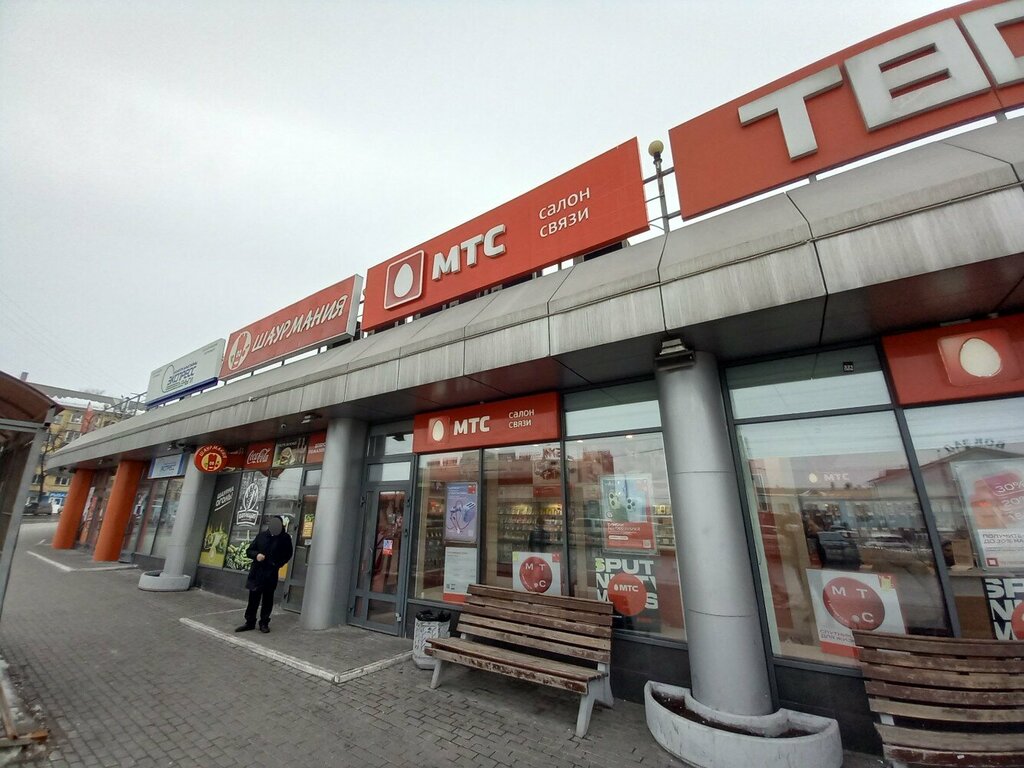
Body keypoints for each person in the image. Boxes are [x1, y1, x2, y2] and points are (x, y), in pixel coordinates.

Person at [235, 516, 293, 634]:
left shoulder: (285, 538)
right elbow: (249, 551)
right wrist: (256, 555)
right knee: (253, 599)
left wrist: (277, 564)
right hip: (257, 573)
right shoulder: (261, 536)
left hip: (271, 574)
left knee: (268, 599)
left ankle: (264, 623)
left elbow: (288, 554)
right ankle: (250, 622)